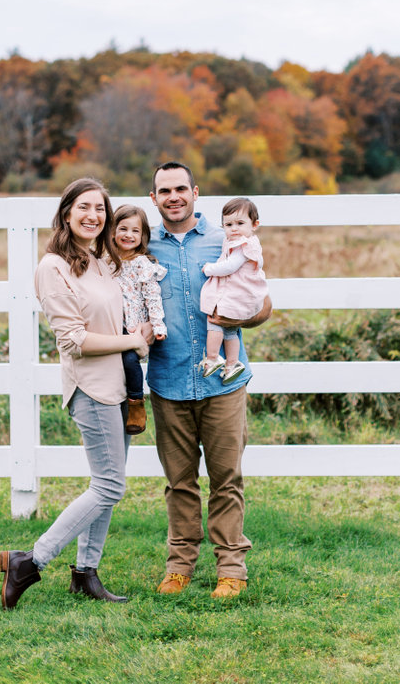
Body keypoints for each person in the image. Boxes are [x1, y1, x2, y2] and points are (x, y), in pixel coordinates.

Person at [0, 177, 149, 610]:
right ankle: (30, 561)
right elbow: (74, 340)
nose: (93, 216)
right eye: (84, 207)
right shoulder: (53, 267)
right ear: (66, 212)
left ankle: (86, 574)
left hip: (121, 386)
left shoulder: (100, 259)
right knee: (108, 485)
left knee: (107, 484)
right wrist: (131, 341)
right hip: (91, 387)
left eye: (100, 208)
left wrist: (141, 333)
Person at [147, 162, 272, 599]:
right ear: (154, 198)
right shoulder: (142, 247)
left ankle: (231, 568)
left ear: (196, 192)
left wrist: (237, 317)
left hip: (222, 383)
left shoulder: (227, 239)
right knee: (178, 482)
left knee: (226, 478)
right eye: (165, 190)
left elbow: (263, 303)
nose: (174, 196)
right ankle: (179, 566)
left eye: (181, 188)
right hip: (168, 380)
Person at [199, 197, 267, 385]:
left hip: (235, 295)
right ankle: (232, 363)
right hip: (240, 295)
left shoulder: (242, 245)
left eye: (240, 223)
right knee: (230, 330)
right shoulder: (247, 243)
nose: (234, 228)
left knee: (214, 322)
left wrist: (209, 269)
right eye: (228, 224)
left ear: (255, 225)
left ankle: (212, 358)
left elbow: (230, 267)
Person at [112, 204, 167, 435]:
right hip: (110, 325)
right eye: (123, 228)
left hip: (134, 326)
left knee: (128, 360)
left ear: (143, 236)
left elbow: (153, 297)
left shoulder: (143, 265)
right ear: (112, 231)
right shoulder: (105, 261)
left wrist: (157, 325)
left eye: (135, 231)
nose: (128, 235)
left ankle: (136, 403)